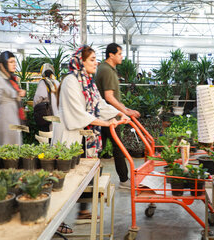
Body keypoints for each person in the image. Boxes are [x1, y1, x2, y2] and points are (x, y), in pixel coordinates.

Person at [51, 46, 129, 227]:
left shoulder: (88, 81)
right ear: (81, 61)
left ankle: (82, 211)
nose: (96, 62)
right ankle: (56, 221)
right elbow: (77, 114)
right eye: (92, 59)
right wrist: (107, 123)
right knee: (66, 180)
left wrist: (119, 114)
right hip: (70, 136)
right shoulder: (71, 81)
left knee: (85, 175)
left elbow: (100, 104)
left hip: (85, 137)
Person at [95, 43, 140, 189]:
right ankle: (123, 180)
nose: (122, 56)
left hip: (107, 115)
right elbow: (109, 97)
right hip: (108, 116)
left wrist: (125, 109)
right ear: (111, 55)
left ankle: (94, 179)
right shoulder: (106, 71)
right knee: (117, 147)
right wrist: (125, 112)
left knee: (101, 149)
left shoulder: (106, 69)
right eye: (120, 54)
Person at [0, 51, 26, 145]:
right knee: (6, 150)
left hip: (13, 119)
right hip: (4, 121)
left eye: (15, 62)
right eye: (11, 62)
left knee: (16, 149)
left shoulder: (10, 79)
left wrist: (19, 93)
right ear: (2, 64)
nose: (14, 64)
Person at [33, 63, 60, 132]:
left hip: (48, 116)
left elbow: (37, 99)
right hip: (59, 115)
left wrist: (35, 107)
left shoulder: (43, 83)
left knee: (48, 137)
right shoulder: (57, 82)